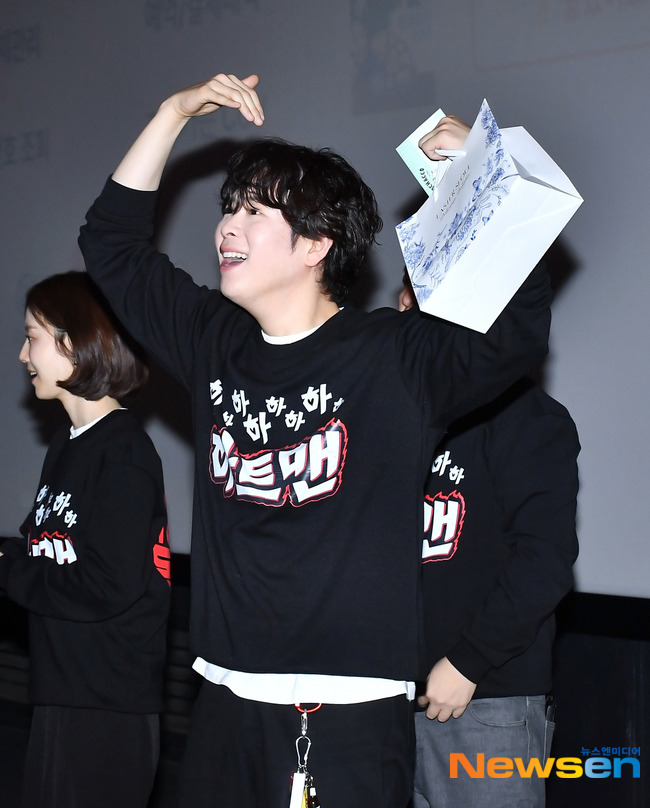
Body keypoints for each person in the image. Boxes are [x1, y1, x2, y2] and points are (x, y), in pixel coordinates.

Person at [78, 72, 551, 808]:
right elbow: (110, 242)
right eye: (228, 208)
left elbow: (513, 335)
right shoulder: (214, 341)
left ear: (317, 245)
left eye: (255, 211)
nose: (227, 227)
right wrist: (172, 112)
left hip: (354, 721)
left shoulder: (393, 357)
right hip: (225, 706)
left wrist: (487, 169)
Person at [399, 284, 580, 806]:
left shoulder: (530, 417)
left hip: (485, 703)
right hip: (387, 703)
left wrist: (467, 663)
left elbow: (544, 561)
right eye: (406, 293)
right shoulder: (404, 412)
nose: (406, 303)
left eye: (419, 293)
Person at [0, 271, 171, 808]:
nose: (23, 356)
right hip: (62, 693)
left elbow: (106, 583)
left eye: (32, 337)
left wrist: (9, 569)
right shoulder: (66, 445)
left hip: (106, 709)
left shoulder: (125, 453)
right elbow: (40, 545)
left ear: (73, 344)